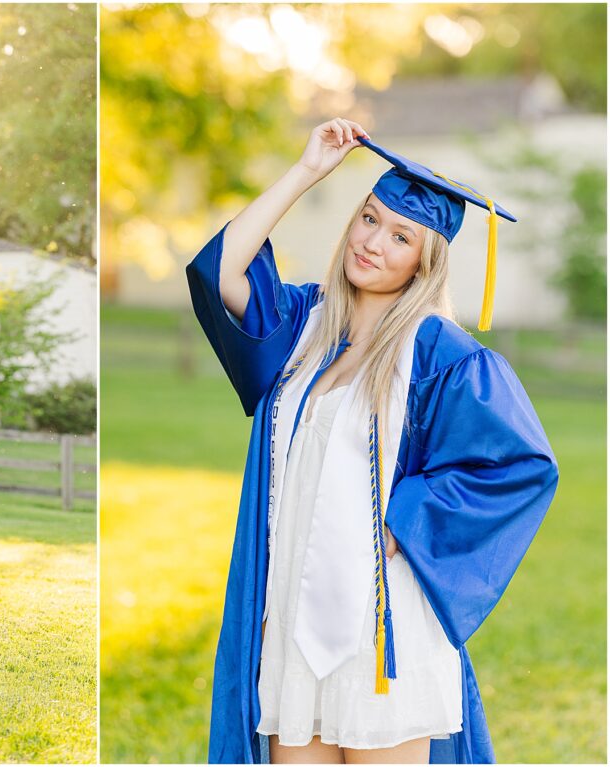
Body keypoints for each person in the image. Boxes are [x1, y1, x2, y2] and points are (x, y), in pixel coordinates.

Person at [187, 118, 558, 764]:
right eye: (368, 218)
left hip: (385, 634)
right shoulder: (302, 327)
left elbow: (520, 464)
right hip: (290, 628)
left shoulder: (441, 356)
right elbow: (221, 268)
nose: (373, 242)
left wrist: (406, 518)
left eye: (400, 235)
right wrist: (307, 171)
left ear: (426, 259)